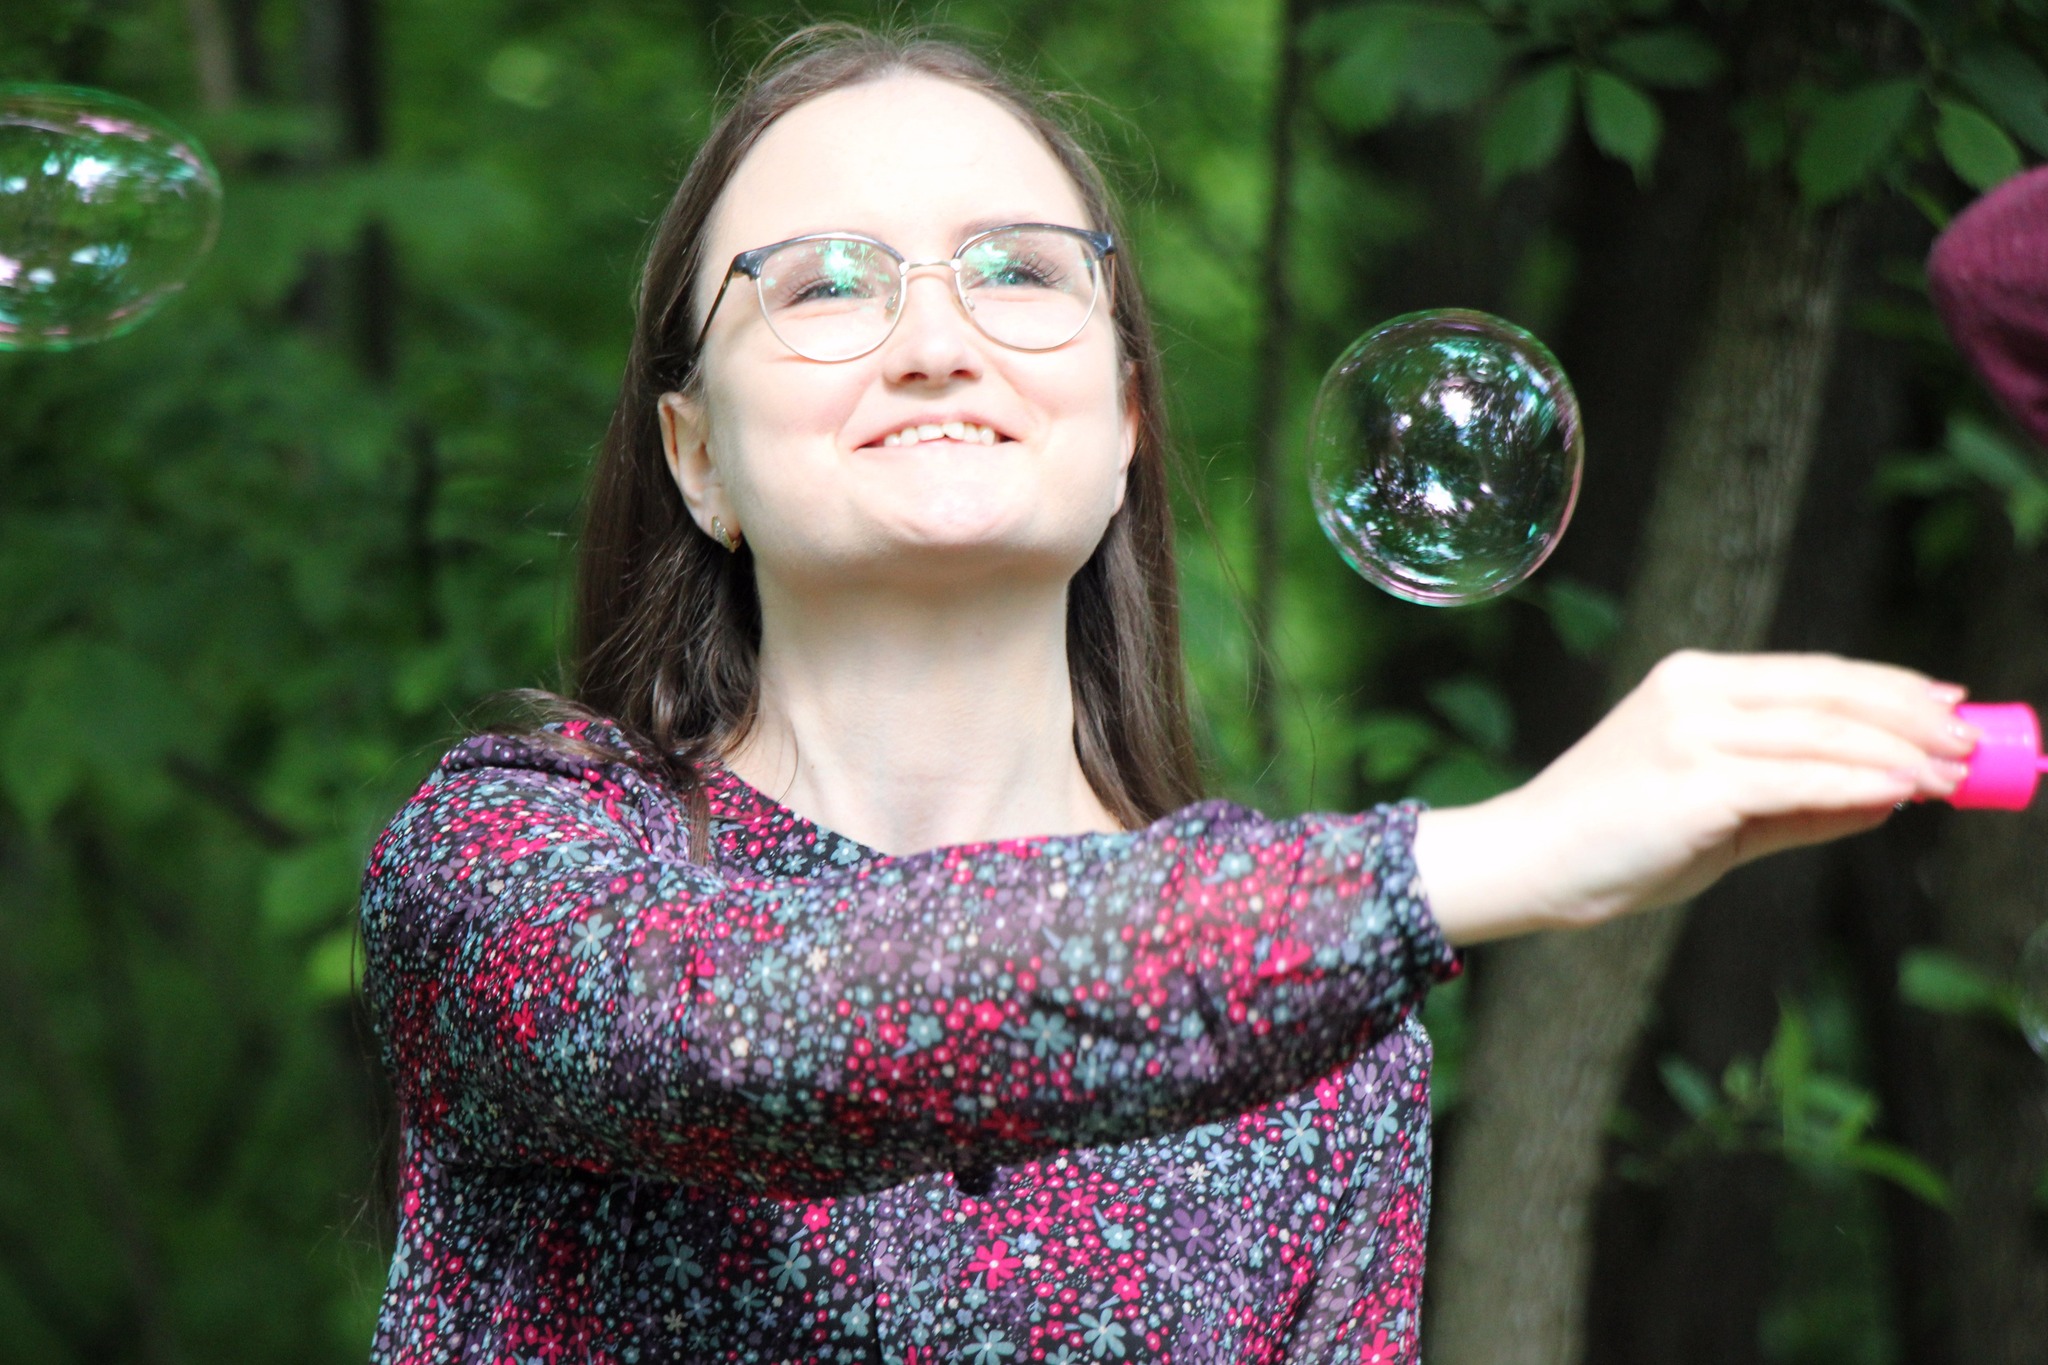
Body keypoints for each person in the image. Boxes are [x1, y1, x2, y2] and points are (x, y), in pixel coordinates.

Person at [358, 26, 1979, 1364]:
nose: (937, 339)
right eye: (826, 282)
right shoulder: (506, 858)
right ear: (696, 451)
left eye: (1019, 269)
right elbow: (737, 1030)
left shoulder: (1332, 1044)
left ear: (1127, 416)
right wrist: (1483, 858)